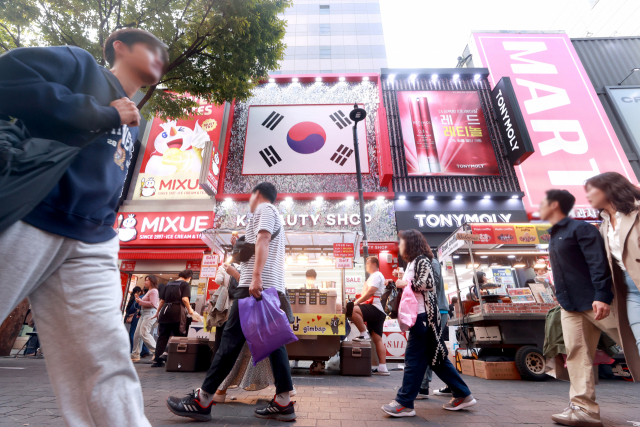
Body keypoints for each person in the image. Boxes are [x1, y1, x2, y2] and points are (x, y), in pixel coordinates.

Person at [0, 28, 167, 426]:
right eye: (151, 47)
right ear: (119, 47)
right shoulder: (79, 64)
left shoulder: (136, 120)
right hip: (31, 215)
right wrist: (104, 113)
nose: (160, 56)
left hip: (92, 240)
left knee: (106, 362)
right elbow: (7, 77)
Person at [167, 182, 296, 422]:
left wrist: (255, 277)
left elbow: (264, 240)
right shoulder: (269, 214)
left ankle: (203, 400)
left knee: (230, 341)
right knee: (273, 342)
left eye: (251, 195)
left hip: (254, 287)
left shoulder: (264, 210)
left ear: (257, 195)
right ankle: (283, 401)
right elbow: (253, 248)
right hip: (267, 286)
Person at [541, 189, 619, 427]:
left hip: (596, 302)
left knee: (633, 344)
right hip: (569, 306)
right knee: (576, 354)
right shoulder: (553, 235)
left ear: (554, 205)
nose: (539, 207)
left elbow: (598, 263)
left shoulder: (580, 228)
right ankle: (584, 409)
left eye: (543, 203)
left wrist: (602, 295)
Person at [382, 230, 476, 417]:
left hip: (423, 317)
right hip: (422, 317)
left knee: (414, 360)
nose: (399, 246)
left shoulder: (422, 260)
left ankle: (404, 403)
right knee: (437, 359)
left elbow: (428, 283)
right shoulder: (413, 262)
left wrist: (404, 284)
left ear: (410, 243)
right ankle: (463, 395)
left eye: (401, 242)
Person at [585, 173, 640, 364]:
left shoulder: (637, 212)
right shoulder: (604, 224)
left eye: (591, 190)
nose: (588, 195)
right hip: (630, 292)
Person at [417, 255, 453, 398]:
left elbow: (432, 284)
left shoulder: (432, 263)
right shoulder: (428, 262)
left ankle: (424, 386)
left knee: (433, 349)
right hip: (434, 310)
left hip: (437, 310)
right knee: (434, 349)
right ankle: (454, 386)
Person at [349, 256, 389, 375]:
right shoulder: (376, 276)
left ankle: (363, 333)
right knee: (378, 339)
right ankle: (382, 367)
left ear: (373, 264)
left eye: (367, 264)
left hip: (375, 308)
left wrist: (356, 302)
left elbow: (371, 292)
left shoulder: (376, 275)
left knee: (352, 310)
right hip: (378, 311)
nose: (366, 266)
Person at [151, 269, 196, 368]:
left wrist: (157, 312)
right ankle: (176, 360)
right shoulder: (185, 284)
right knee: (179, 336)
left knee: (162, 336)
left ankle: (157, 360)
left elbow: (162, 300)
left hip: (165, 311)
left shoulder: (169, 284)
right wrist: (190, 309)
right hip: (177, 312)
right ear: (189, 277)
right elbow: (184, 299)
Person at [131, 275, 159, 362]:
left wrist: (140, 301)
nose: (145, 282)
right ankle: (135, 355)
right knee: (137, 334)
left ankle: (158, 352)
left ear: (152, 282)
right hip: (144, 314)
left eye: (147, 280)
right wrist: (140, 301)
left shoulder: (153, 291)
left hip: (149, 313)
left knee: (144, 333)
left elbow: (153, 304)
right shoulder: (150, 291)